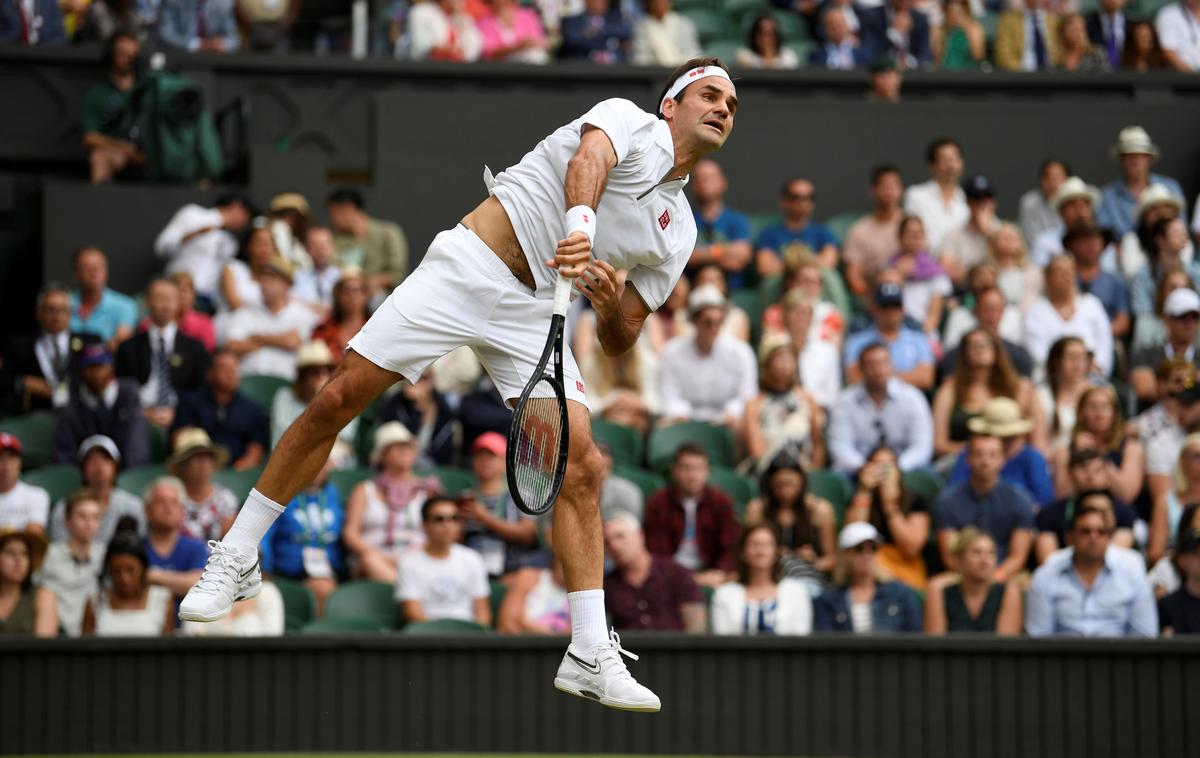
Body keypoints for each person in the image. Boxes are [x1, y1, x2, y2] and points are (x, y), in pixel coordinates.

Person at [182, 58, 739, 713]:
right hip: (469, 265)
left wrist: (613, 299)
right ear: (671, 104)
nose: (724, 107)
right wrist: (582, 226)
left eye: (733, 103)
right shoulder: (629, 121)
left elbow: (624, 335)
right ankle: (239, 553)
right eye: (710, 93)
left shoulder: (681, 230)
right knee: (338, 396)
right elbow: (587, 160)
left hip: (537, 311)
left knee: (582, 463)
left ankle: (589, 650)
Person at [1025, 496, 1157, 637]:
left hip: (1118, 657)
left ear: (1110, 537)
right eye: (1085, 531)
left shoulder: (1132, 568)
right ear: (1070, 537)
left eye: (1101, 532)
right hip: (1063, 656)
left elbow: (1145, 637)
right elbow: (1039, 639)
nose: (1093, 537)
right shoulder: (1048, 572)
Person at [343, 423, 441, 583]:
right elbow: (350, 533)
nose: (404, 450)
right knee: (370, 560)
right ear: (381, 455)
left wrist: (412, 557)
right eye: (396, 446)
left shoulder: (427, 490)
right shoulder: (364, 490)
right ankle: (412, 595)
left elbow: (436, 531)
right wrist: (381, 556)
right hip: (376, 560)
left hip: (418, 559)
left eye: (408, 446)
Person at [936, 432, 1037, 582]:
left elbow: (1017, 557)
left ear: (1003, 459)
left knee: (1024, 585)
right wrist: (973, 578)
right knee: (937, 586)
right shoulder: (947, 500)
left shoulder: (1020, 500)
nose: (985, 461)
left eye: (992, 455)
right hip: (961, 576)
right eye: (978, 455)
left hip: (1004, 574)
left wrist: (994, 578)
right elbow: (950, 557)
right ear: (967, 459)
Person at [933, 328, 1044, 463]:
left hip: (1014, 459)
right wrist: (980, 453)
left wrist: (999, 456)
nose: (980, 348)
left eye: (986, 343)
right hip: (963, 461)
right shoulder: (950, 389)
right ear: (964, 352)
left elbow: (1039, 444)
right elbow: (939, 444)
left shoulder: (1021, 388)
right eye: (974, 345)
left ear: (997, 350)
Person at [116, 278, 210, 429]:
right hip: (137, 417)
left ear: (179, 303)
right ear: (147, 302)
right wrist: (143, 412)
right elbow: (121, 390)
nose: (166, 305)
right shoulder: (129, 347)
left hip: (182, 418)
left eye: (171, 299)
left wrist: (177, 413)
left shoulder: (194, 348)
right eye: (160, 298)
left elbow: (200, 392)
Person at [659, 284, 757, 426]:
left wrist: (731, 413)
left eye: (719, 322)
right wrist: (682, 415)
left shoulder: (741, 352)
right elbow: (669, 397)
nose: (714, 329)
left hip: (728, 423)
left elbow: (747, 396)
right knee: (663, 426)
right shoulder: (672, 352)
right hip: (684, 422)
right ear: (694, 321)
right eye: (708, 322)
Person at [643, 444, 739, 588]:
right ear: (674, 471)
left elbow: (730, 545)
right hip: (669, 574)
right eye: (686, 468)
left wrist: (720, 572)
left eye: (699, 469)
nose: (692, 475)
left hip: (710, 573)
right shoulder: (659, 502)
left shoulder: (721, 502)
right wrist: (684, 576)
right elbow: (656, 550)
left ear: (707, 472)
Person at [830, 342, 933, 474]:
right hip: (859, 470)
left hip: (903, 469)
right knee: (837, 476)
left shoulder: (913, 398)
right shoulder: (844, 402)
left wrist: (896, 468)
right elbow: (840, 446)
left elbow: (922, 447)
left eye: (883, 363)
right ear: (860, 369)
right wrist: (865, 468)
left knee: (927, 475)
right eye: (871, 364)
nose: (878, 370)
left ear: (892, 365)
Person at [260, 454, 344, 617]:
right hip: (288, 570)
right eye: (309, 463)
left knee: (327, 588)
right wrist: (266, 568)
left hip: (328, 569)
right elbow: (265, 536)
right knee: (323, 589)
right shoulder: (282, 495)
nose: (315, 469)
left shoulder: (332, 496)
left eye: (321, 464)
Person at [458, 432, 548, 579]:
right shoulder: (465, 497)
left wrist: (485, 518)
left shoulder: (520, 495)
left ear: (504, 461)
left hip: (510, 570)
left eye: (491, 456)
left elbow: (528, 535)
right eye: (479, 456)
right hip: (469, 571)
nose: (485, 461)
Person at [1, 284, 100, 414]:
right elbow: (5, 382)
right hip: (35, 417)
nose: (56, 316)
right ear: (38, 312)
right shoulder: (20, 346)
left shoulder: (89, 342)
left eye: (62, 310)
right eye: (50, 310)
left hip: (80, 415)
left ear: (70, 312)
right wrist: (22, 383)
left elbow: (100, 380)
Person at [602, 512, 706, 633]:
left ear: (639, 535)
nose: (614, 545)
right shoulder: (607, 585)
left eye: (620, 536)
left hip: (675, 649)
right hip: (627, 651)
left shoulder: (676, 573)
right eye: (607, 542)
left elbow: (696, 630)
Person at [395, 496, 491, 625]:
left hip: (467, 637)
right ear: (424, 525)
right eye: (439, 519)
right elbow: (413, 614)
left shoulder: (473, 559)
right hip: (429, 638)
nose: (448, 525)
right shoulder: (408, 563)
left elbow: (483, 614)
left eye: (454, 518)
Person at [844, 446, 931, 589]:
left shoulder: (915, 499)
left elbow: (911, 548)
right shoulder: (860, 497)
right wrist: (864, 491)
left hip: (904, 567)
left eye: (888, 467)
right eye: (877, 466)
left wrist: (890, 506)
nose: (883, 472)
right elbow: (853, 538)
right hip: (868, 564)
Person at [813, 522, 922, 633]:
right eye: (859, 549)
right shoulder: (827, 600)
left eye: (873, 548)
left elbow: (913, 641)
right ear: (845, 555)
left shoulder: (901, 595)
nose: (867, 555)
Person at [224, 257, 320, 381]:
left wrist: (256, 338)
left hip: (287, 384)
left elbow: (293, 342)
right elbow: (232, 346)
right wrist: (280, 340)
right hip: (247, 381)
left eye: (272, 277)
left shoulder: (305, 316)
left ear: (288, 284)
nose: (265, 281)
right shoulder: (245, 313)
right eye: (262, 277)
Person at [171, 349, 269, 471]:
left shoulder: (253, 409)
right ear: (209, 373)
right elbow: (181, 438)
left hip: (236, 474)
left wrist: (238, 472)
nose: (231, 373)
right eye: (223, 368)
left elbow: (255, 450)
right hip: (197, 472)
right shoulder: (190, 402)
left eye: (234, 368)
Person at [53, 344, 149, 468]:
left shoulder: (128, 394)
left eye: (101, 366)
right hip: (85, 477)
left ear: (111, 367)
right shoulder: (71, 401)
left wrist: (127, 479)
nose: (96, 374)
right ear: (81, 371)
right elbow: (64, 454)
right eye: (90, 367)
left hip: (125, 475)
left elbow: (136, 447)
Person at [1037, 446, 1137, 563]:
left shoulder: (1124, 512)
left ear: (1107, 475)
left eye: (1098, 470)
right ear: (1070, 473)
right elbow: (1048, 562)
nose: (1091, 476)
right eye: (1083, 468)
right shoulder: (1049, 513)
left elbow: (1118, 559)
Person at [743, 455, 837, 579]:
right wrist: (771, 554)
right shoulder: (757, 509)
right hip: (770, 575)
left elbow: (832, 559)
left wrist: (815, 561)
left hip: (808, 575)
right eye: (779, 486)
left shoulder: (820, 510)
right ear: (769, 484)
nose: (786, 492)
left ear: (802, 482)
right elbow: (745, 551)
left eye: (792, 485)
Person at [711, 523, 812, 635]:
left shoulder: (796, 592)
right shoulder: (724, 594)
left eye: (767, 544)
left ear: (776, 553)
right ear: (742, 552)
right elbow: (722, 642)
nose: (760, 550)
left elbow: (801, 640)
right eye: (754, 544)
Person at [154, 192, 255, 305]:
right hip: (175, 293)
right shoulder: (193, 214)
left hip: (206, 302)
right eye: (246, 215)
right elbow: (161, 248)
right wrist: (192, 235)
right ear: (236, 206)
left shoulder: (231, 242)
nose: (245, 222)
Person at [743, 335, 825, 471]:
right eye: (779, 358)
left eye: (790, 358)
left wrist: (814, 474)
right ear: (766, 364)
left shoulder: (807, 398)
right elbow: (757, 452)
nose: (785, 363)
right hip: (768, 473)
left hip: (804, 471)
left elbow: (817, 444)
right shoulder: (753, 405)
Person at [1023, 257, 1113, 380]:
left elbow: (1104, 343)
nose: (1067, 275)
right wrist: (1066, 369)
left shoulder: (1092, 304)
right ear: (1047, 278)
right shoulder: (1035, 311)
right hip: (1050, 380)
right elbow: (1037, 352)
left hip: (1091, 377)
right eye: (1060, 271)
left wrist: (1093, 367)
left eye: (1071, 271)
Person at [270, 341, 357, 467]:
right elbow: (281, 440)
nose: (323, 376)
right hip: (293, 462)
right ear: (303, 377)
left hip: (333, 462)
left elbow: (344, 439)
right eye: (315, 372)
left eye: (327, 370)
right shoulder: (284, 397)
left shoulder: (343, 398)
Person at [48, 435, 145, 543]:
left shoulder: (133, 507)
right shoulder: (64, 508)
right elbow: (61, 550)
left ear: (115, 466)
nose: (99, 466)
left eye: (106, 459)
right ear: (82, 468)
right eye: (92, 460)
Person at [924, 528, 1022, 634]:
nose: (985, 560)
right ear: (959, 558)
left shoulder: (1009, 593)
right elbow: (935, 645)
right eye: (976, 552)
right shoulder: (940, 593)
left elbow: (1007, 646)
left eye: (991, 553)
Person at [82, 524, 174, 636]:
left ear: (143, 568)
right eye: (116, 571)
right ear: (109, 570)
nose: (124, 578)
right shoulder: (94, 602)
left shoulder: (162, 599)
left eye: (131, 570)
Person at [35, 490, 105, 637]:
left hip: (95, 635)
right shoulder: (48, 555)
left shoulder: (107, 556)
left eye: (95, 517)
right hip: (55, 634)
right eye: (82, 516)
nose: (89, 522)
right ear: (67, 522)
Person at [843, 283, 935, 391]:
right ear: (874, 309)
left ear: (903, 309)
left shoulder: (918, 339)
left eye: (896, 306)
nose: (891, 312)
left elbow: (926, 378)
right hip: (866, 402)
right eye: (885, 306)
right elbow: (854, 378)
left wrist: (880, 377)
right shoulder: (857, 340)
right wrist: (908, 376)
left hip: (908, 401)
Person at [1099, 126, 1186, 239]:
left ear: (1150, 158)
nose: (1136, 161)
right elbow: (1106, 239)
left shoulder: (1171, 188)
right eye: (1129, 155)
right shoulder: (1107, 196)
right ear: (1121, 159)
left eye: (1141, 155)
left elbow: (1182, 230)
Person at [1061, 386, 1144, 503]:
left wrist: (1097, 456)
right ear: (1081, 413)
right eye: (1093, 407)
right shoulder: (1067, 451)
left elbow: (1127, 494)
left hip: (1119, 512)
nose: (1099, 414)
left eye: (1105, 407)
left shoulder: (1132, 448)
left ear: (1114, 413)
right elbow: (1062, 495)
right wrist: (1074, 453)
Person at [326, 187, 410, 300]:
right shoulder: (335, 239)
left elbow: (397, 272)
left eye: (333, 213)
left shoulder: (388, 232)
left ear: (347, 208)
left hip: (381, 297)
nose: (333, 220)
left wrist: (373, 282)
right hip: (344, 296)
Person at [81, 32, 141, 185]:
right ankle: (100, 205)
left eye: (131, 56)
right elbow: (90, 137)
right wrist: (123, 147)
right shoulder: (98, 94)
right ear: (111, 56)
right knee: (99, 157)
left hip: (148, 153)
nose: (126, 60)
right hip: (117, 152)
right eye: (121, 54)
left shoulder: (149, 91)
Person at [940, 286, 1034, 381]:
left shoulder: (1019, 355)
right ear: (976, 311)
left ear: (1002, 312)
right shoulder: (956, 355)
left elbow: (1025, 383)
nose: (991, 315)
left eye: (995, 309)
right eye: (986, 309)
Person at [142, 478, 209, 609]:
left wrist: (154, 576)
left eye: (174, 502)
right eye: (161, 501)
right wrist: (180, 583)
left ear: (182, 511)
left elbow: (199, 586)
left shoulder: (195, 547)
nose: (168, 507)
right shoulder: (136, 548)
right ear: (147, 510)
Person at [687, 160, 752, 289]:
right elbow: (686, 258)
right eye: (699, 178)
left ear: (723, 183)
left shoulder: (736, 220)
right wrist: (724, 253)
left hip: (732, 292)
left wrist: (704, 254)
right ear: (693, 185)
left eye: (709, 178)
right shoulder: (685, 220)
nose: (703, 182)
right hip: (693, 292)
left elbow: (742, 256)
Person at [1130, 287, 1200, 407]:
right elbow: (1144, 389)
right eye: (1182, 317)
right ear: (1167, 319)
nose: (1189, 324)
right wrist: (1192, 381)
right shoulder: (1145, 353)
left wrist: (1168, 385)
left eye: (1194, 317)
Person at [167, 428, 239, 543]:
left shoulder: (225, 498)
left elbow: (232, 540)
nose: (204, 462)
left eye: (208, 456)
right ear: (183, 466)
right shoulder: (172, 499)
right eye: (197, 457)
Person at [755, 178, 839, 275]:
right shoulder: (769, 233)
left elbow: (829, 263)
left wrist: (789, 266)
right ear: (784, 201)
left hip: (813, 282)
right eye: (796, 197)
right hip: (782, 282)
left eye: (808, 197)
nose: (802, 203)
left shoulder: (823, 232)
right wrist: (809, 264)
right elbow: (765, 267)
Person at [844, 165, 903, 300]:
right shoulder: (859, 230)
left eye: (894, 185)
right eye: (884, 186)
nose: (890, 191)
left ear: (901, 190)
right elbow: (854, 276)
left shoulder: (912, 225)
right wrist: (870, 298)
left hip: (911, 291)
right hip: (876, 294)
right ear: (873, 191)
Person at [1066, 222, 1130, 341]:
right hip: (1067, 340)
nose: (1091, 244)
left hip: (1106, 339)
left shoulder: (1116, 282)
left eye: (1096, 239)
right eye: (1084, 240)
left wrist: (1098, 336)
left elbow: (1123, 322)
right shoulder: (1064, 279)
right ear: (1072, 245)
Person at [776, 293, 841, 409]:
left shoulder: (828, 350)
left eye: (806, 313)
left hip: (819, 410)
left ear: (812, 318)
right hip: (780, 410)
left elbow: (832, 395)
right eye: (796, 312)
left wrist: (808, 400)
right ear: (785, 316)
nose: (801, 317)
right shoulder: (774, 348)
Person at [902, 138, 967, 253]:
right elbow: (910, 236)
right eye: (945, 160)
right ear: (932, 165)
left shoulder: (970, 201)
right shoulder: (916, 196)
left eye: (955, 159)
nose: (951, 165)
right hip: (924, 266)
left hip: (961, 268)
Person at [892, 215, 951, 338]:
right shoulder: (889, 268)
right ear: (900, 236)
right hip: (892, 330)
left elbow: (932, 319)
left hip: (922, 333)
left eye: (919, 233)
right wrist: (897, 275)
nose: (915, 237)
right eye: (910, 233)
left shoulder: (936, 274)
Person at [1130, 217, 1200, 320]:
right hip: (1156, 329)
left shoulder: (1196, 272)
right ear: (1160, 240)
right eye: (1176, 232)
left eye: (1184, 232)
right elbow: (1142, 313)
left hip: (1191, 326)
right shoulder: (1142, 276)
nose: (1183, 236)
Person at [1030, 175, 1105, 269]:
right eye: (1074, 206)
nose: (1081, 213)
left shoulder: (1103, 241)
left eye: (1084, 206)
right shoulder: (1044, 243)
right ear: (1062, 212)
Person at [939, 175, 1001, 289]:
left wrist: (988, 234)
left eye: (986, 198)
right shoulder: (954, 234)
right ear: (967, 202)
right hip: (966, 292)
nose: (982, 204)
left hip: (998, 292)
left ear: (993, 202)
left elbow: (1009, 267)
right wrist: (977, 276)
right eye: (976, 199)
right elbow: (946, 269)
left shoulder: (1002, 232)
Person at [1149, 432, 1200, 568]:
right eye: (1197, 455)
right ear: (1183, 460)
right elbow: (1155, 554)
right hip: (1176, 567)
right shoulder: (1166, 501)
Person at [69, 246, 137, 347]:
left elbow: (119, 344)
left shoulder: (125, 306)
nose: (93, 272)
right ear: (75, 274)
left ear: (106, 271)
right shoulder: (64, 304)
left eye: (98, 267)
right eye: (86, 267)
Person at [1120, 183, 1189, 281]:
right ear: (1144, 216)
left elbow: (1184, 273)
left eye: (1166, 207)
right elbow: (1133, 276)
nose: (1161, 213)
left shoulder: (1184, 239)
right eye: (1154, 209)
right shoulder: (1131, 240)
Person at [0, 528, 57, 637]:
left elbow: (45, 647)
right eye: (10, 553)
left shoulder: (42, 596)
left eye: (25, 554)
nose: (18, 559)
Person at [310, 269, 371, 362]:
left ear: (366, 295)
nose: (352, 296)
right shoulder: (323, 329)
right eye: (347, 290)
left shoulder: (375, 329)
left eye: (357, 290)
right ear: (338, 295)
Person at [219, 219, 278, 314]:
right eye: (259, 243)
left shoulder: (279, 278)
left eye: (268, 244)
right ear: (248, 246)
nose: (264, 250)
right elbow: (235, 305)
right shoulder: (232, 268)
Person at [498, 559, 570, 634]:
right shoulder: (528, 577)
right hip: (526, 642)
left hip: (562, 644)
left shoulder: (579, 590)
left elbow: (573, 632)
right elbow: (507, 624)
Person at [858, 0, 932, 69]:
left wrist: (908, 62)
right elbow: (869, 52)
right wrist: (894, 33)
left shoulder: (920, 19)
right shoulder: (871, 16)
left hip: (913, 74)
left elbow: (925, 54)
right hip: (882, 72)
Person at [0, 434, 50, 535]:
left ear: (20, 462)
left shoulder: (37, 495)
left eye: (12, 458)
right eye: (0, 458)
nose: (6, 465)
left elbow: (33, 537)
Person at [558, 0, 632, 64]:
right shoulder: (571, 21)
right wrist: (613, 43)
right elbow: (573, 40)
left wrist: (596, 32)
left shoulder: (617, 19)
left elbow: (625, 33)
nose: (601, 2)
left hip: (615, 70)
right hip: (582, 69)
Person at [995, 0, 1061, 71]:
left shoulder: (1053, 21)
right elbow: (1003, 55)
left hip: (1050, 73)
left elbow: (1059, 51)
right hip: (1021, 74)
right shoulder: (1009, 21)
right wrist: (1021, 71)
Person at [630, 0, 700, 67]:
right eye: (655, 2)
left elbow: (692, 52)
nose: (659, 5)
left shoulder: (684, 23)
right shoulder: (641, 26)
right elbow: (641, 57)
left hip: (682, 70)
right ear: (649, 4)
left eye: (663, 1)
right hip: (654, 73)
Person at [1019, 159, 1070, 247]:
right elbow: (1030, 238)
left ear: (1068, 179)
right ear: (1042, 180)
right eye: (1049, 178)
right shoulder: (1029, 202)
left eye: (1058, 177)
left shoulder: (1075, 203)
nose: (1053, 182)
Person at [478, 0, 550, 63]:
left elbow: (542, 43)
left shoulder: (528, 16)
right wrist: (518, 47)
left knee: (536, 55)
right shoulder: (484, 23)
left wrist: (532, 43)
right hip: (501, 70)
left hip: (529, 65)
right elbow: (489, 54)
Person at [292, 227, 342, 316]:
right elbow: (291, 302)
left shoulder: (343, 276)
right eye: (315, 245)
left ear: (333, 247)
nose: (321, 249)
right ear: (306, 249)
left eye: (325, 244)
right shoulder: (297, 277)